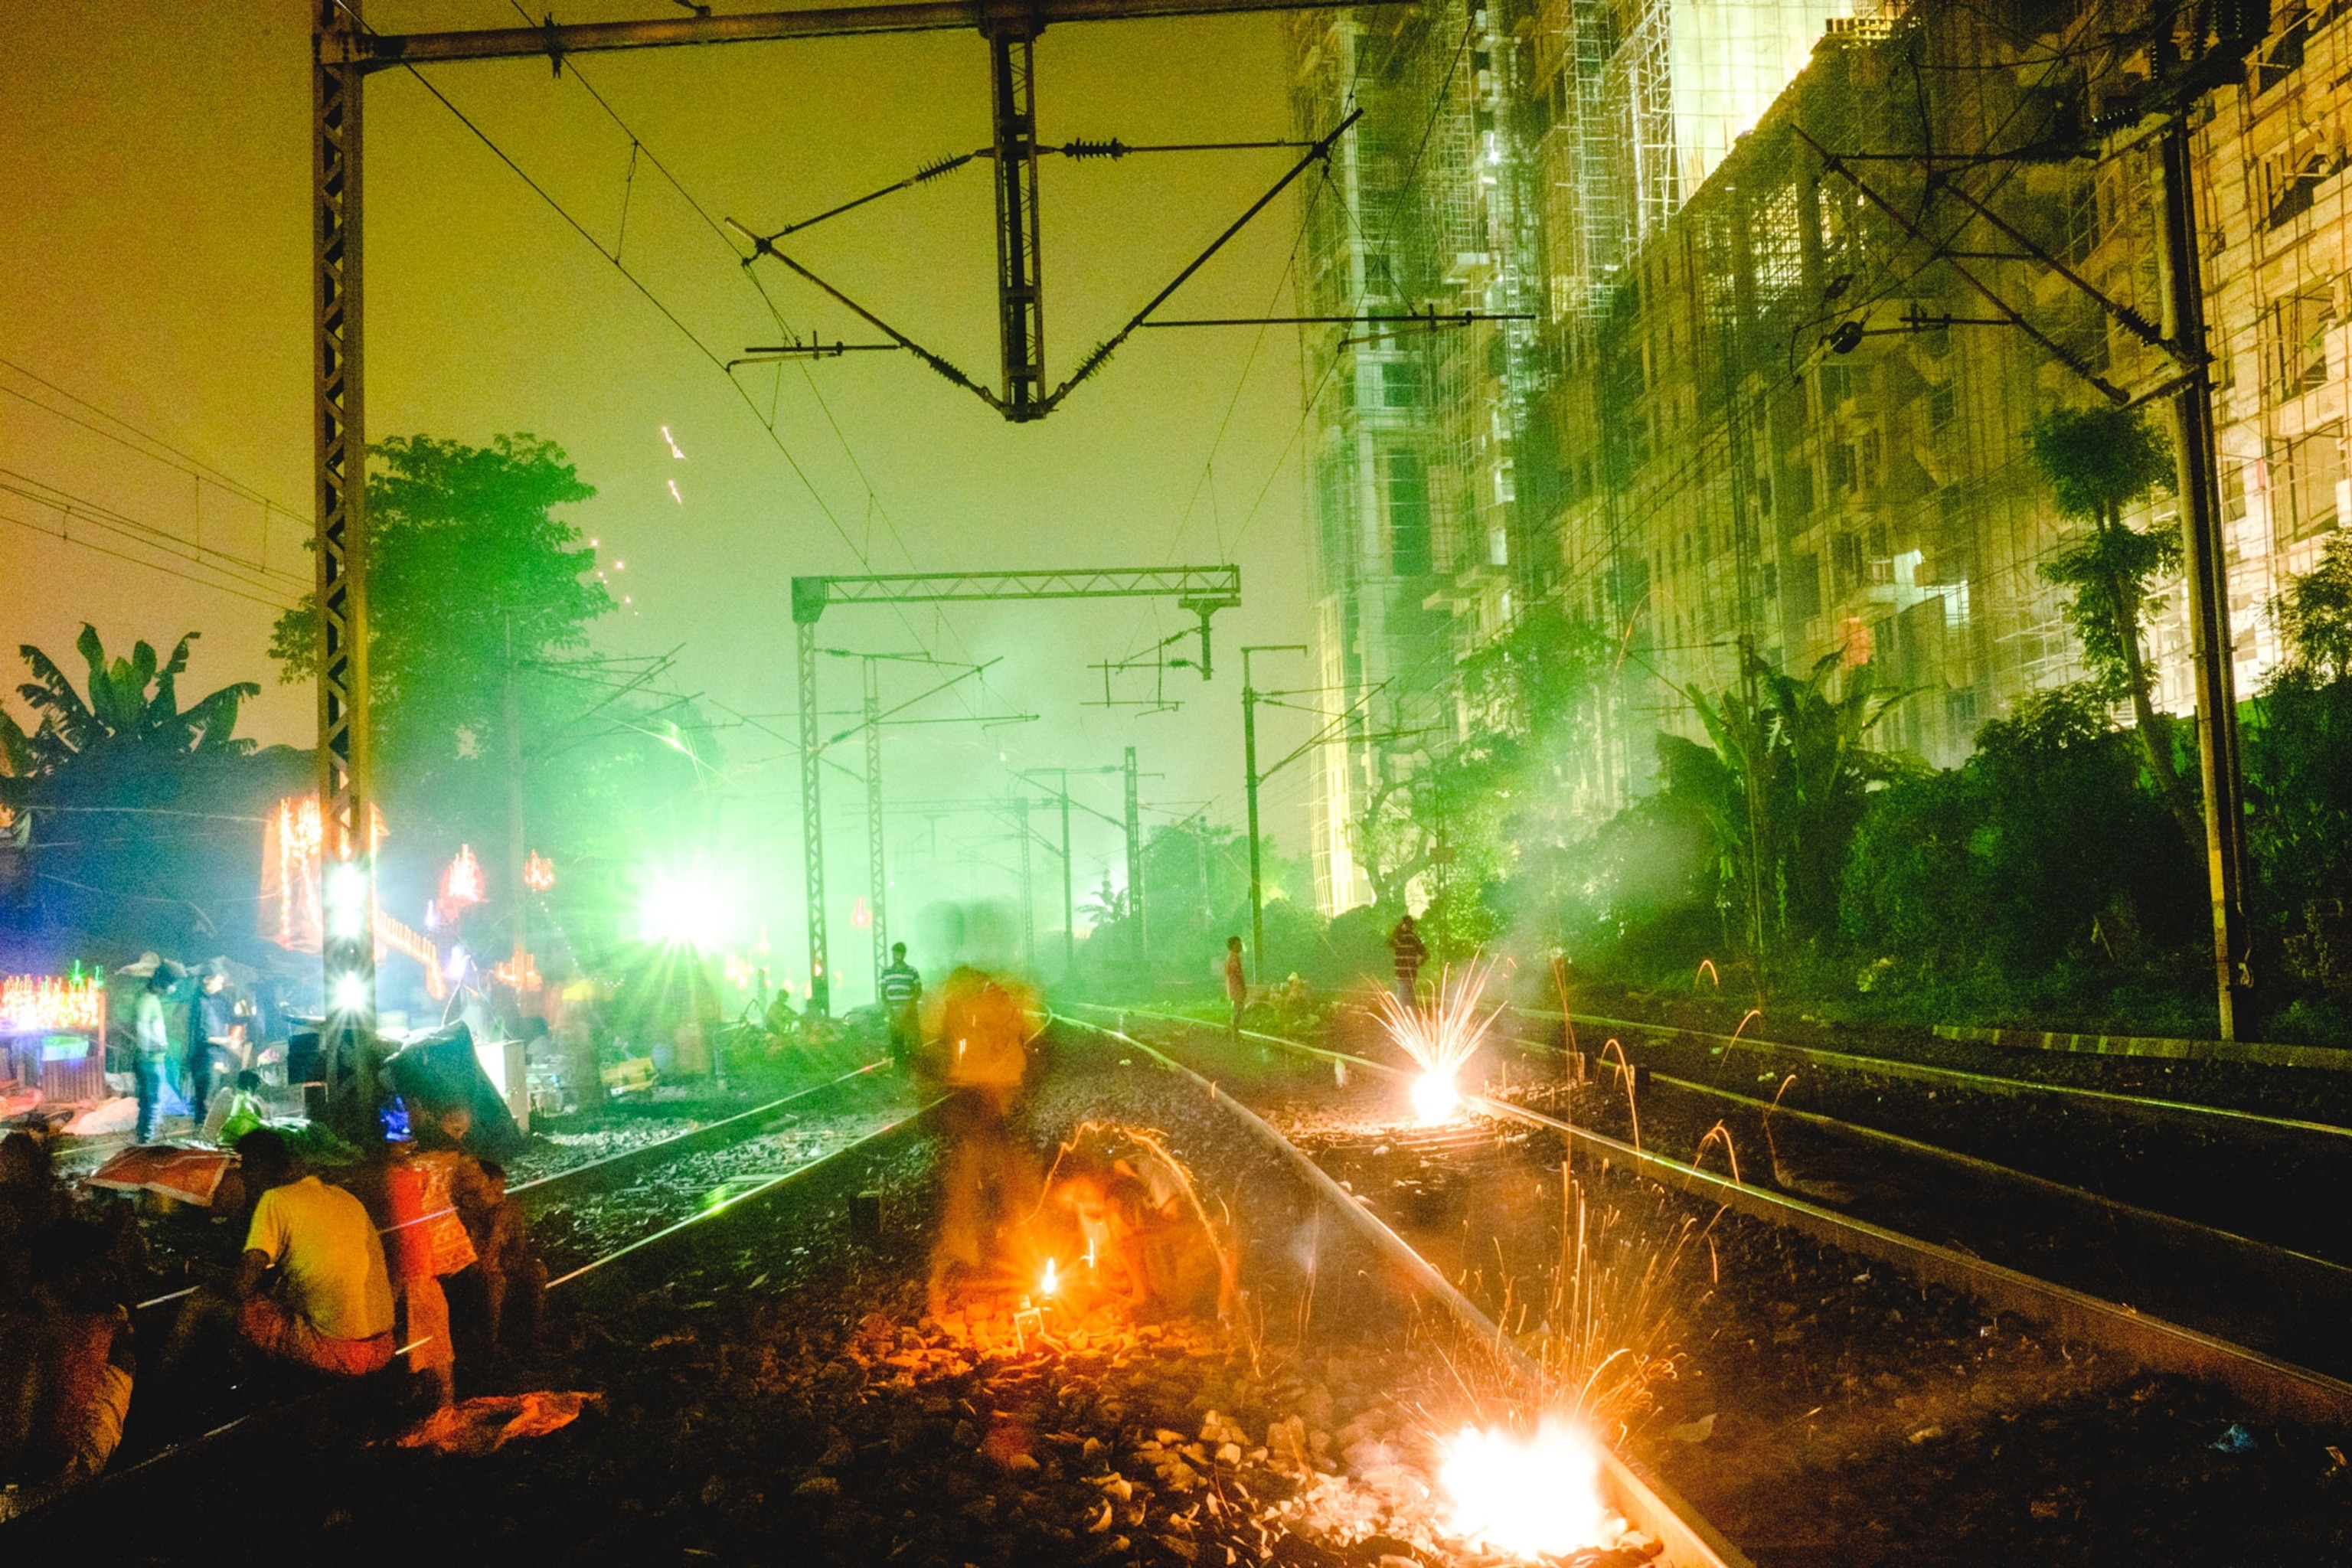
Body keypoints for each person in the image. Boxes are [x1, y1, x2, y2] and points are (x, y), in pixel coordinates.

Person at [231, 1128, 395, 1377]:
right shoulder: (344, 1196)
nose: (243, 1179)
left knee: (216, 1305)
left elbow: (241, 1287)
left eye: (243, 1170)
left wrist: (189, 1265)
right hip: (383, 1345)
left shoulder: (275, 1198)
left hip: (338, 1351)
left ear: (255, 1168)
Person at [453, 1159, 544, 1354]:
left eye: (501, 1191)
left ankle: (532, 1335)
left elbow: (518, 1247)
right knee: (494, 1283)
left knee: (536, 1271)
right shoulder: (466, 1216)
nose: (501, 1197)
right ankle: (490, 1345)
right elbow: (475, 1260)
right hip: (474, 1272)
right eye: (493, 1192)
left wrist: (510, 1259)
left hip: (500, 1263)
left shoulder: (507, 1211)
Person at [187, 964, 241, 1123]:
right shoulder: (198, 1002)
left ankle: (211, 1129)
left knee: (217, 1096)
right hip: (205, 1057)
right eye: (218, 980)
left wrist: (232, 1040)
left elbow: (231, 1020)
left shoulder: (220, 1000)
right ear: (206, 979)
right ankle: (202, 1131)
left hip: (220, 1054)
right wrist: (226, 1042)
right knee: (205, 1099)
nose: (221, 984)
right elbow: (201, 1036)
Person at [131, 965, 178, 1145]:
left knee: (150, 1100)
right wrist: (150, 1048)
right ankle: (145, 1140)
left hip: (152, 1059)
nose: (172, 989)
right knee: (152, 1101)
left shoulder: (152, 1000)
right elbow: (142, 1027)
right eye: (170, 985)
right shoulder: (147, 1001)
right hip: (150, 1060)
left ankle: (144, 1138)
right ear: (161, 985)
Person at [877, 943, 923, 1070]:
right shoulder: (886, 972)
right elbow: (883, 992)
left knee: (913, 1039)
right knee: (897, 1040)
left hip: (909, 1011)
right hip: (894, 1012)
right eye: (893, 953)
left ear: (903, 955)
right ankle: (901, 1066)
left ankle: (916, 1066)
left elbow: (918, 990)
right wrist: (889, 1009)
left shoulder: (912, 971)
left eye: (897, 953)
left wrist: (909, 1005)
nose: (895, 956)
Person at [1388, 913, 1427, 1007]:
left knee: (1403, 1002)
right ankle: (1412, 1013)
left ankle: (1408, 1013)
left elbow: (1425, 954)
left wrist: (1418, 964)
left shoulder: (1400, 938)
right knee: (1410, 1001)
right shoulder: (1406, 938)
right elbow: (1425, 953)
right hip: (1409, 974)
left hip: (1403, 974)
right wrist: (1418, 965)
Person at [1223, 936, 1248, 1040]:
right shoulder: (1234, 958)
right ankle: (1234, 1033)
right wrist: (1243, 986)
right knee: (1238, 1010)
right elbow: (1238, 974)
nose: (1240, 946)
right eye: (1238, 944)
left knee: (1236, 1010)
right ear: (1233, 946)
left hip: (1233, 988)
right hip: (1236, 988)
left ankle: (1234, 1032)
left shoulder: (1231, 957)